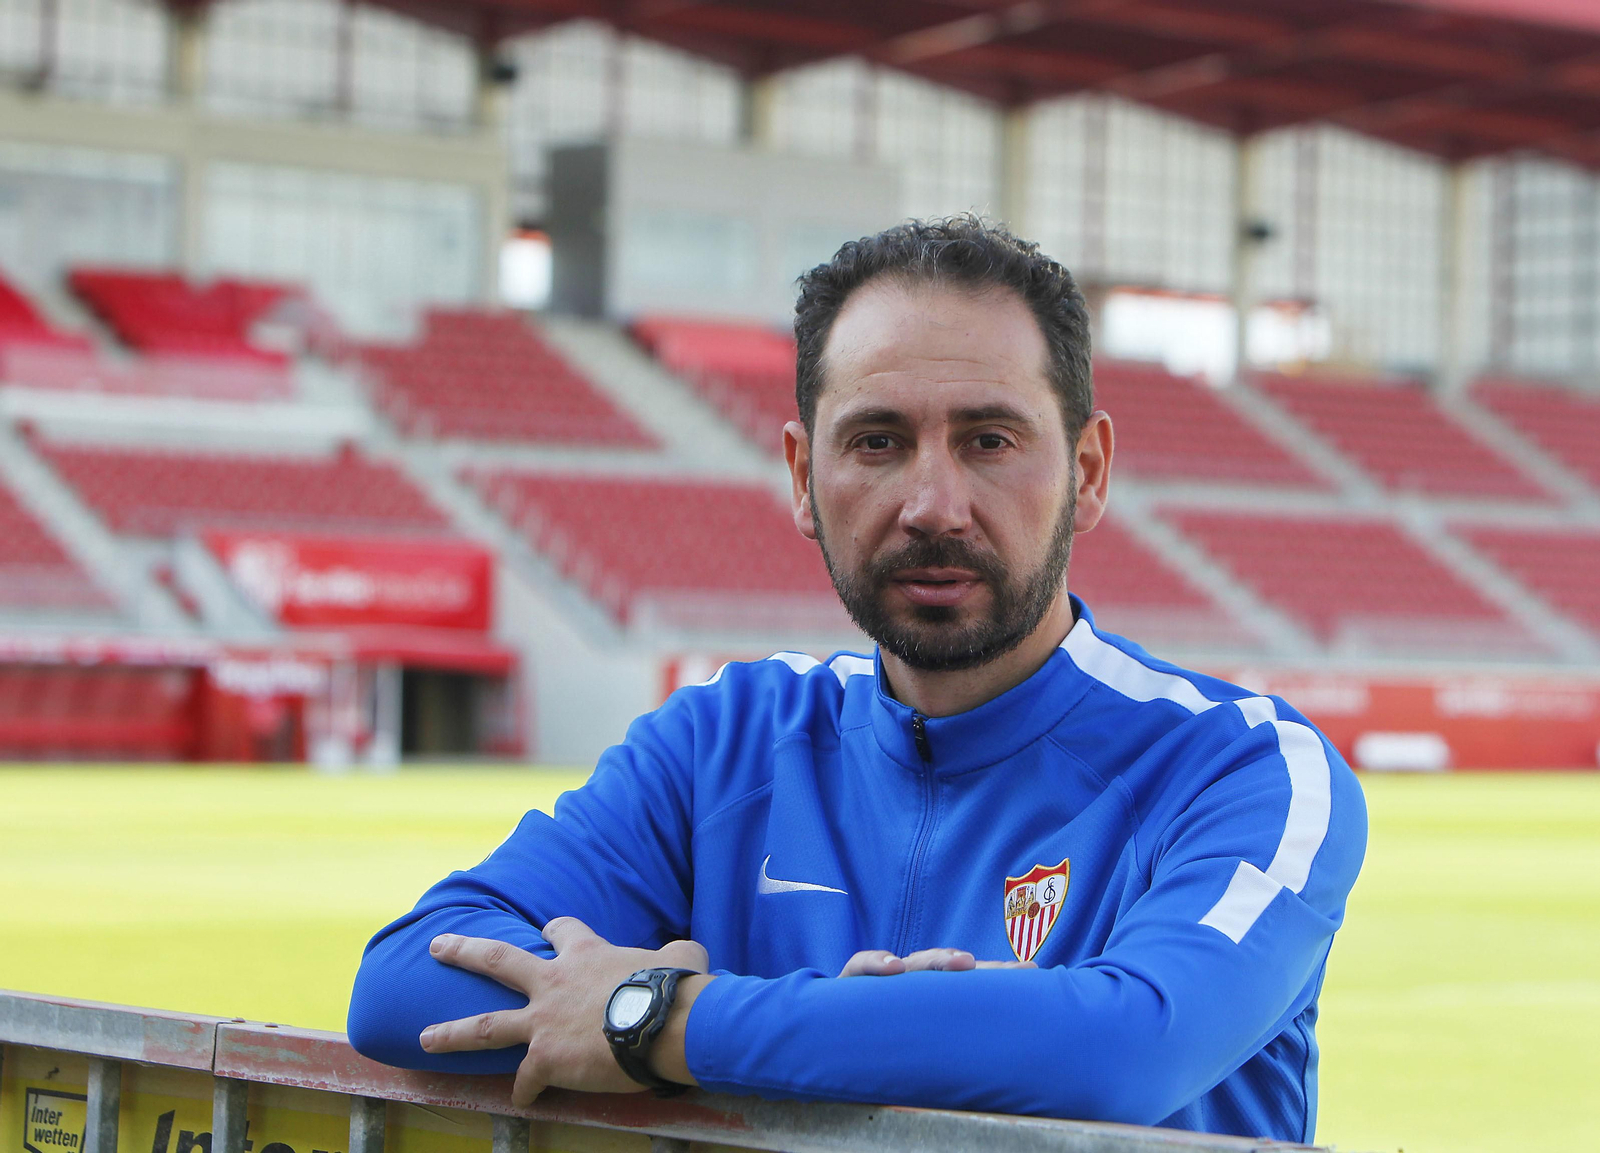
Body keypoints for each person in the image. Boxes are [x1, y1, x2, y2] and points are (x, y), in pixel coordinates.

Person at [347, 216, 1366, 1143]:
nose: (932, 502)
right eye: (877, 442)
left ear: (1088, 473)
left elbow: (1126, 1048)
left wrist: (659, 1018)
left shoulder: (1242, 770)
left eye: (990, 440)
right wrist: (849, 1031)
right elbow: (401, 986)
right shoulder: (725, 742)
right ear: (801, 476)